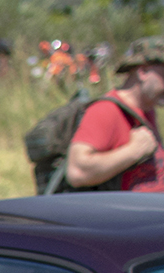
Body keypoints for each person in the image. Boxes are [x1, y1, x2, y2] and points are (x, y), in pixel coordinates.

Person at [66, 38, 164, 192]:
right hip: (123, 214)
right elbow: (76, 172)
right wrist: (133, 151)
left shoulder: (148, 109)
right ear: (143, 72)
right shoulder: (106, 110)